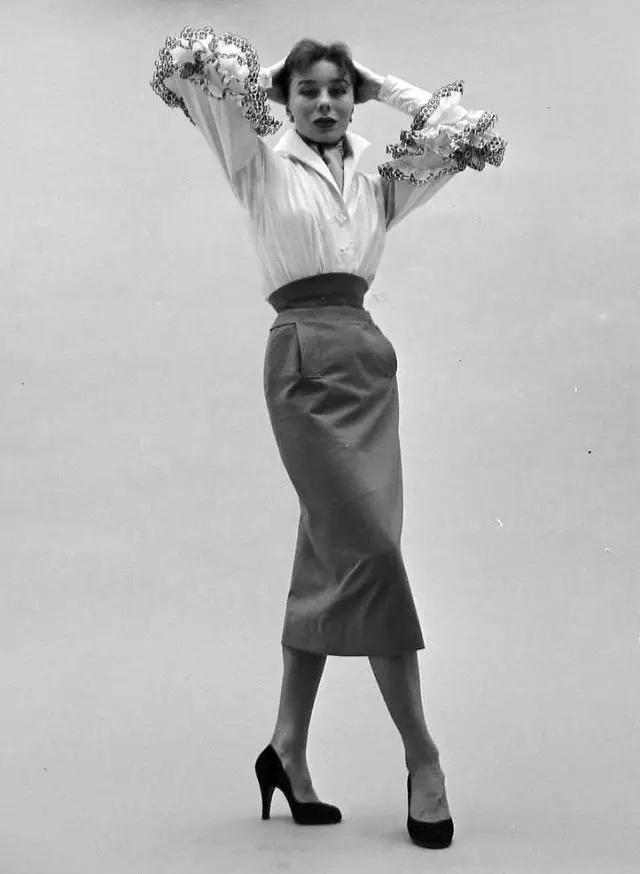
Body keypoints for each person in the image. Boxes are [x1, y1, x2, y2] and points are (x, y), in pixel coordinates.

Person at [151, 25, 506, 850]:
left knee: (328, 558)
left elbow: (469, 131)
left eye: (338, 91)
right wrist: (274, 83)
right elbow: (196, 66)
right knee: (373, 553)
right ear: (284, 98)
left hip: (367, 363)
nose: (325, 103)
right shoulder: (257, 162)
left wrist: (383, 85)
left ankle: (285, 749)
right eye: (308, 90)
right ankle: (424, 759)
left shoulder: (380, 184)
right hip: (305, 365)